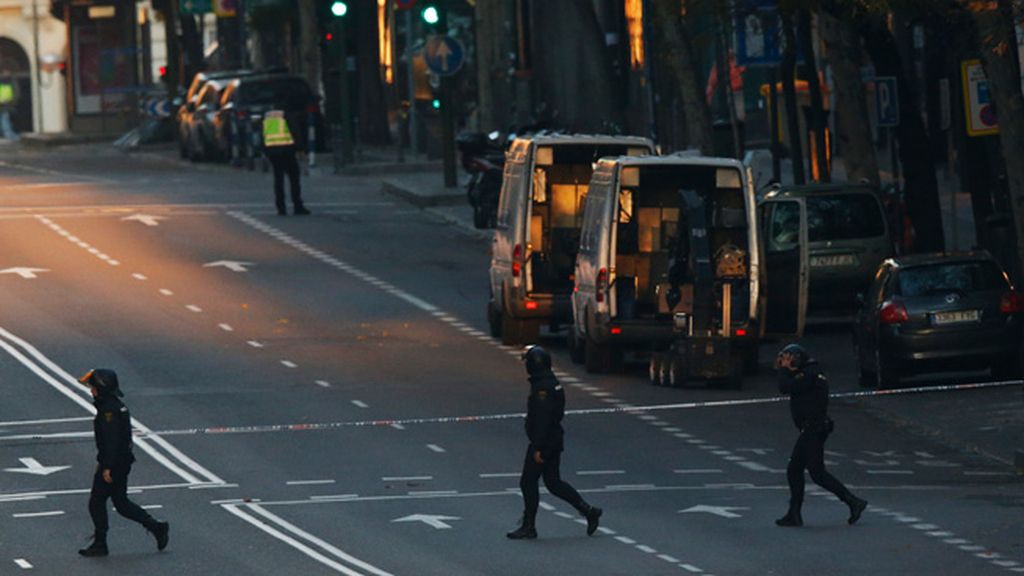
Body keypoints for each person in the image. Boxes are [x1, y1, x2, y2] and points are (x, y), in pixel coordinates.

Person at [507, 346, 603, 539]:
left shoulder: (543, 388)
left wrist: (538, 447)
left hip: (544, 442)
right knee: (553, 482)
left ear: (534, 365)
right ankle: (588, 510)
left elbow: (543, 419)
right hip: (552, 439)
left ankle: (529, 526)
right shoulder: (548, 382)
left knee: (528, 482)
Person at [78, 369, 170, 557]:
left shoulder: (108, 411)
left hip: (114, 464)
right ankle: (156, 527)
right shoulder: (115, 406)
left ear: (102, 389)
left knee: (96, 502)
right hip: (122, 462)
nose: (92, 391)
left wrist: (106, 466)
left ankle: (100, 543)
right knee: (121, 503)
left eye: (94, 387)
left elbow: (111, 441)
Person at [774, 344, 867, 527]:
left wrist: (784, 370)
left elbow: (785, 387)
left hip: (813, 429)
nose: (785, 362)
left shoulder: (808, 375)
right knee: (795, 469)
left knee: (816, 473)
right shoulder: (811, 373)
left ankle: (853, 501)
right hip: (812, 428)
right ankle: (794, 513)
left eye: (788, 359)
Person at [262, 110, 310, 216]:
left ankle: (281, 207)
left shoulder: (268, 115)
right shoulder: (286, 114)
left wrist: (265, 150)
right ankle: (297, 205)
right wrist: (300, 148)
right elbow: (294, 131)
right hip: (287, 149)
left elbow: (263, 133)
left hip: (272, 150)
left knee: (278, 178)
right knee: (294, 177)